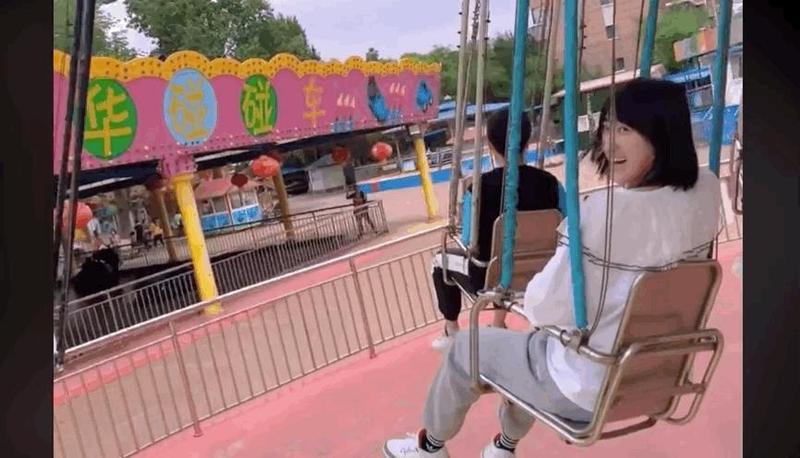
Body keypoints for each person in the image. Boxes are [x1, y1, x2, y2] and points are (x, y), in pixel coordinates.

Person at [382, 78, 722, 457]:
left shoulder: (598, 214)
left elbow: (542, 307)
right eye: (607, 127)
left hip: (587, 382)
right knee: (530, 347)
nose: (609, 143)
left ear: (662, 131)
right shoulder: (706, 195)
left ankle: (429, 447)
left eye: (625, 129)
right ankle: (503, 446)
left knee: (466, 347)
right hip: (656, 375)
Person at [430, 109, 561, 352]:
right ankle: (498, 322)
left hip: (488, 276)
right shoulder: (551, 183)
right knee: (504, 255)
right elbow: (565, 224)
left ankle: (451, 329)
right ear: (527, 141)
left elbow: (469, 241)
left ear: (490, 145)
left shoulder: (478, 190)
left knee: (440, 261)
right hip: (543, 269)